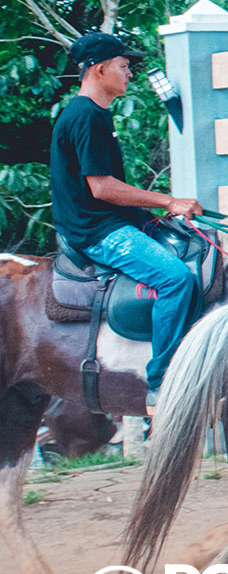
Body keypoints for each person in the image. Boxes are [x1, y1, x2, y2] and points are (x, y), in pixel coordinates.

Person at [49, 32, 205, 415]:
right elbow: (101, 188)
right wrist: (168, 200)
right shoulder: (85, 115)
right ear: (99, 70)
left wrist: (150, 213)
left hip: (108, 221)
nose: (130, 73)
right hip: (95, 232)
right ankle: (163, 384)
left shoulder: (96, 113)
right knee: (175, 278)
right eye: (123, 66)